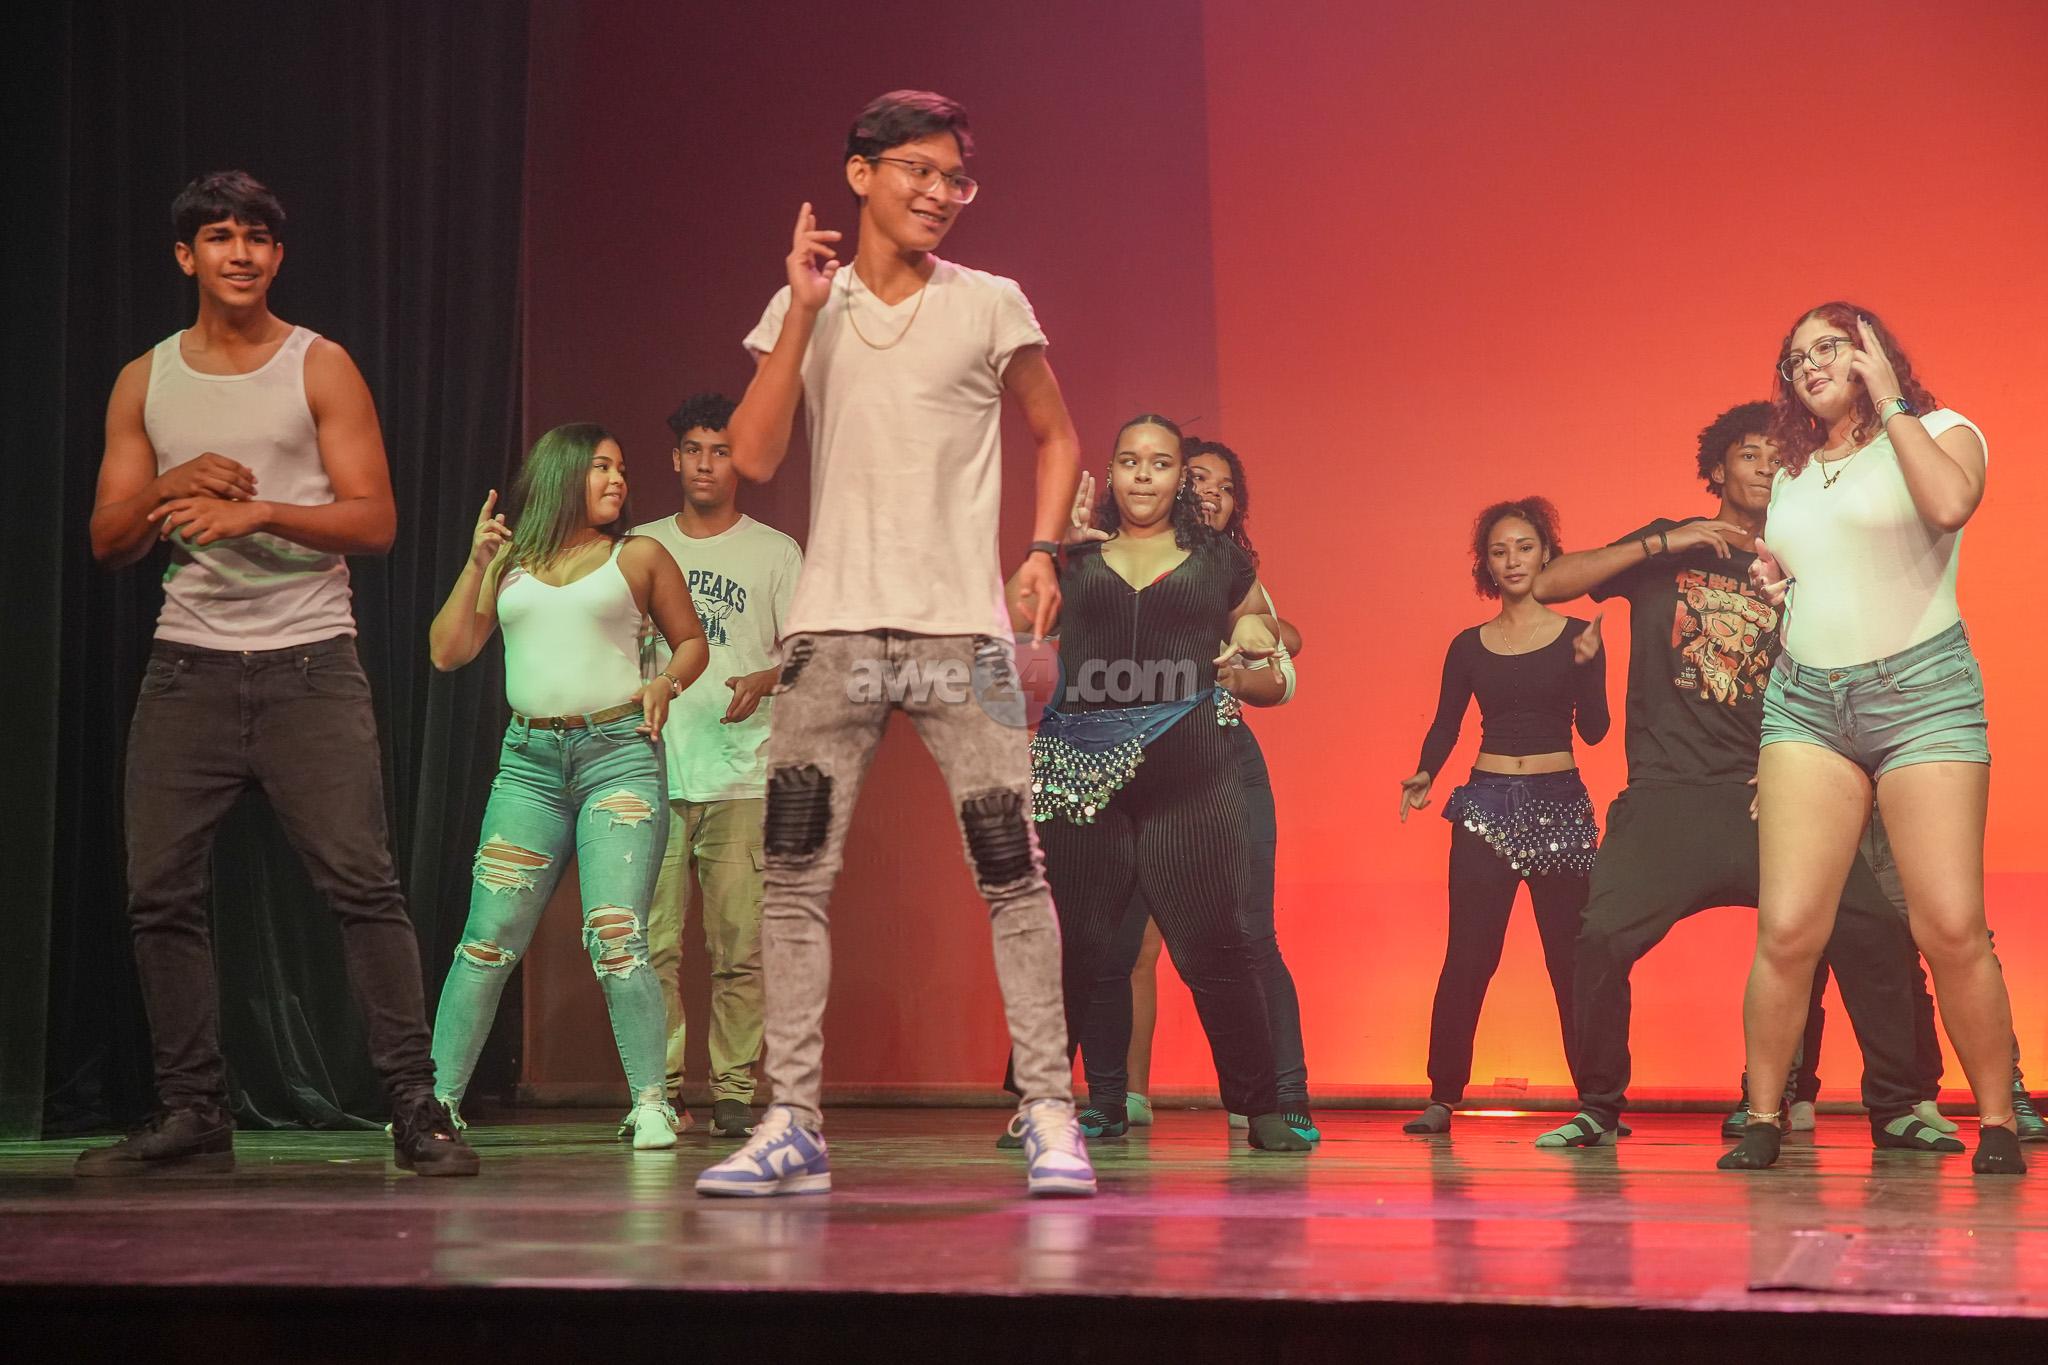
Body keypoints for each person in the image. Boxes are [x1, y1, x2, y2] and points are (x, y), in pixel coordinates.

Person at [693, 90, 1095, 1198]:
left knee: (1012, 871)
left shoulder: (988, 302)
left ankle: (1049, 1110)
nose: (940, 193)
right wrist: (800, 309)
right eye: (919, 169)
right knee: (791, 878)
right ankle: (791, 1121)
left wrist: (1043, 550)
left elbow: (1058, 434)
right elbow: (753, 456)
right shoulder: (806, 306)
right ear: (859, 173)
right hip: (830, 634)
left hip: (962, 634)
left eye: (955, 177)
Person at [80, 171, 476, 1176]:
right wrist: (170, 484)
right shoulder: (145, 380)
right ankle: (193, 1108)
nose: (241, 253)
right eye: (220, 236)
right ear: (187, 256)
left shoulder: (319, 365)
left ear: (278, 255)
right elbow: (109, 540)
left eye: (257, 237)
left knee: (363, 887)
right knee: (159, 895)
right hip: (188, 670)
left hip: (310, 666)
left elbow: (376, 521)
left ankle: (415, 1105)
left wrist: (261, 511)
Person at [1528, 401, 1939, 1156]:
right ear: (1716, 468)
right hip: (1668, 796)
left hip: (1771, 791)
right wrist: (1667, 539)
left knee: (1873, 927)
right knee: (1600, 939)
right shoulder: (1665, 546)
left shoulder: (1803, 557)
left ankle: (1895, 1107)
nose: (1764, 469)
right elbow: (1551, 582)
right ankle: (1598, 1106)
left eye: (1777, 459)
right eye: (1750, 455)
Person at [1728, 305, 2023, 1175]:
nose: (1810, 366)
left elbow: (1951, 503)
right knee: (1788, 927)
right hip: (1807, 704)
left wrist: (1891, 401)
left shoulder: (1941, 429)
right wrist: (1781, 579)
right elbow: (1822, 567)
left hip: (1922, 695)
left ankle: (1999, 1121)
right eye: (1796, 359)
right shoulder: (1792, 472)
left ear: (1870, 352)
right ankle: (1762, 1115)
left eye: (1829, 346)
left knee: (1950, 924)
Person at [1031, 416, 1310, 1154]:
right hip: (1080, 773)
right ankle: (1045, 1103)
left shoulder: (1217, 558)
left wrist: (1254, 637)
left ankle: (1261, 1107)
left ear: (1178, 477)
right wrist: (1048, 547)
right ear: (1111, 474)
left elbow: (1272, 638)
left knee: (1215, 943)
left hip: (1190, 771)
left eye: (1160, 463)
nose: (1144, 475)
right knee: (1077, 944)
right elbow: (1010, 623)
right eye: (1129, 460)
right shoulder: (1074, 558)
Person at [425, 424, 708, 1150]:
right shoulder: (508, 561)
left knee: (616, 933)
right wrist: (475, 563)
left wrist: (666, 683)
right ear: (562, 473)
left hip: (618, 757)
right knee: (486, 939)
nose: (618, 479)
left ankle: (651, 1102)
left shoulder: (636, 555)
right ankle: (437, 1103)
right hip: (529, 766)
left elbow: (691, 641)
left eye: (621, 468)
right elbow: (448, 651)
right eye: (601, 466)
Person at [1100, 440, 1316, 1140]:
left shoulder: (1229, 571)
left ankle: (1281, 1096)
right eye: (1197, 478)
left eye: (1226, 487)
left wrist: (1244, 657)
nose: (1211, 494)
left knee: (1248, 934)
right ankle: (1115, 1098)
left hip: (1220, 763)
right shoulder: (1113, 558)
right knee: (1119, 941)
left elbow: (1282, 665)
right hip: (1129, 764)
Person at [1398, 497, 1608, 1135]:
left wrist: (1587, 668)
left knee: (1571, 960)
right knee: (1469, 956)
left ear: (1546, 554)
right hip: (1485, 806)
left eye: (1524, 546)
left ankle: (1597, 1101)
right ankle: (1443, 1095)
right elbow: (1446, 723)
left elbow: (1595, 731)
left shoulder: (1578, 635)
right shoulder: (1468, 645)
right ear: (1485, 565)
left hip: (1559, 805)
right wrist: (1426, 771)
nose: (1512, 559)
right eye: (1499, 550)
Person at [631, 392, 801, 1140]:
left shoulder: (774, 553)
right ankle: (660, 1088)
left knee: (738, 951)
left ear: (741, 463)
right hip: (651, 770)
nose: (706, 464)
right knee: (652, 946)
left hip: (742, 775)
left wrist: (769, 676)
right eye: (694, 450)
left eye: (721, 450)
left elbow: (811, 656)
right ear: (675, 459)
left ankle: (733, 1090)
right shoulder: (640, 545)